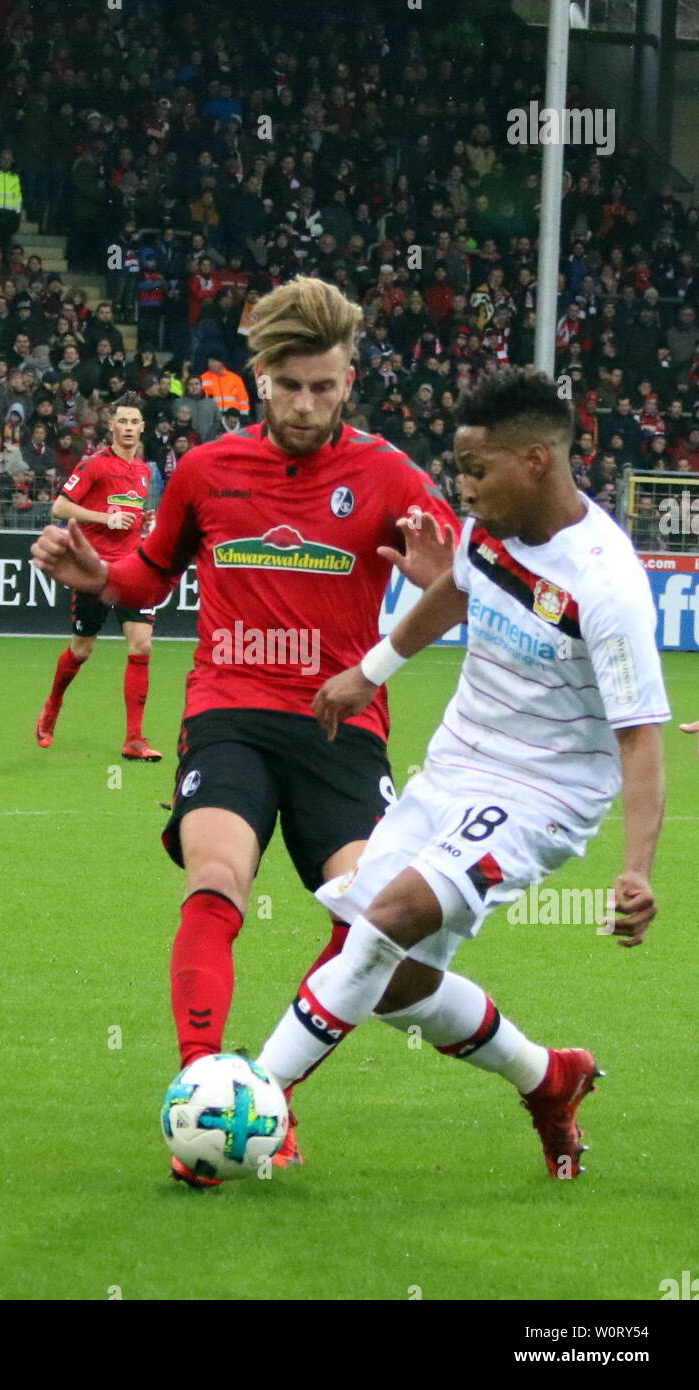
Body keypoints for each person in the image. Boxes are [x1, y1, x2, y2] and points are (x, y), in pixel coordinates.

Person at [30, 276, 459, 1185]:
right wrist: (94, 572)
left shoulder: (390, 474)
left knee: (376, 923)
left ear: (351, 382)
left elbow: (466, 585)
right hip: (227, 711)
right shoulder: (205, 470)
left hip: (344, 725)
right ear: (259, 378)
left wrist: (436, 578)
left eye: (326, 388)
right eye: (291, 386)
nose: (307, 405)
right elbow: (148, 577)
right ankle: (202, 1090)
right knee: (217, 875)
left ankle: (269, 1089)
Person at [256, 368, 670, 1182]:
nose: (464, 487)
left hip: (541, 797)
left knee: (387, 922)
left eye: (477, 470)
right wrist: (370, 672)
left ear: (537, 462)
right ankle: (551, 1079)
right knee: (390, 981)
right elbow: (454, 589)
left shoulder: (606, 583)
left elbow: (640, 738)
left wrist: (636, 870)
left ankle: (256, 1098)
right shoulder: (490, 531)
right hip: (453, 766)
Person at [34, 394, 161, 761]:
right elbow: (60, 506)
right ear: (111, 427)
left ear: (142, 428)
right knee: (82, 649)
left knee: (142, 646)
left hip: (133, 570)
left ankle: (134, 739)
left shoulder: (144, 470)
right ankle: (53, 703)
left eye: (134, 422)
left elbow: (133, 514)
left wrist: (145, 527)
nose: (128, 428)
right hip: (95, 571)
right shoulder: (94, 465)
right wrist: (105, 518)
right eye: (121, 422)